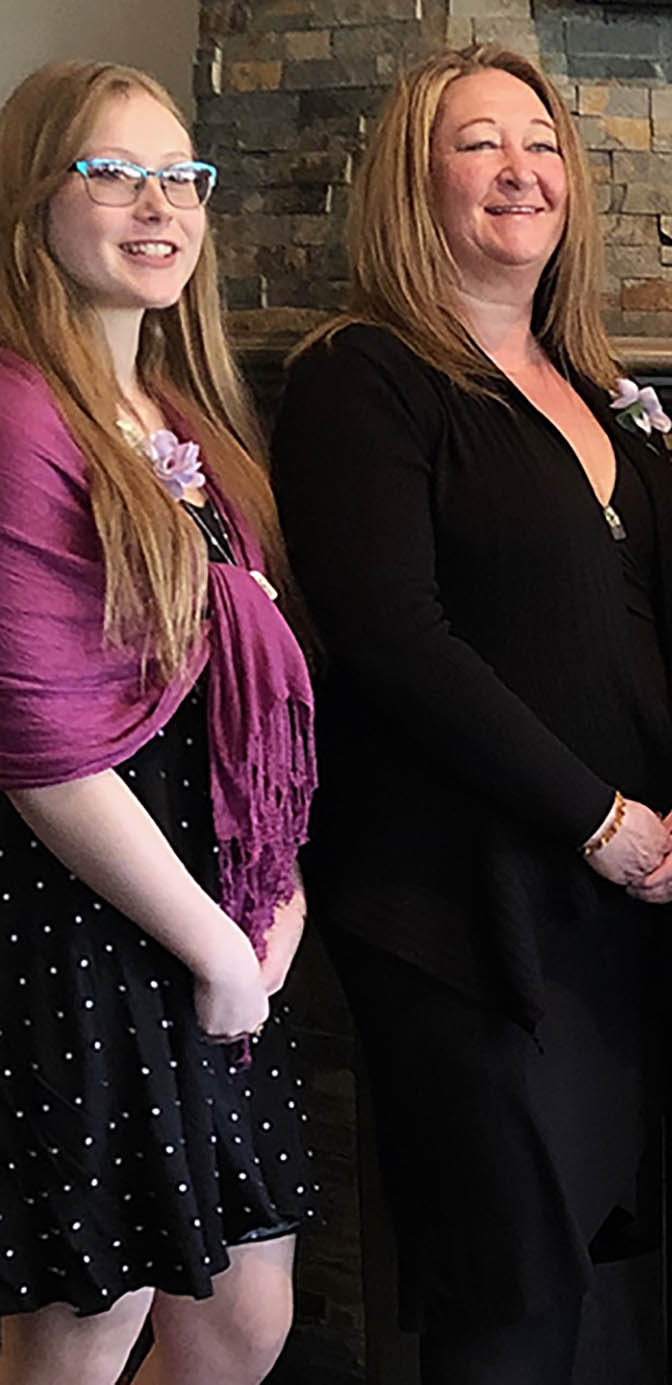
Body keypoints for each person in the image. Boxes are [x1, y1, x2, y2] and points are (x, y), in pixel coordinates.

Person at [269, 46, 672, 1385]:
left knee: (580, 1262)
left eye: (541, 141)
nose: (521, 170)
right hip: (461, 902)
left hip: (616, 898)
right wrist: (596, 817)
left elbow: (662, 626)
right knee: (508, 1283)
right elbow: (394, 639)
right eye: (479, 143)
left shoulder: (591, 386)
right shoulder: (364, 375)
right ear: (414, 181)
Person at [0, 61, 314, 1385]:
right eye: (113, 173)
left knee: (244, 1317)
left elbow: (237, 703)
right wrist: (218, 942)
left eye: (181, 176)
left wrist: (274, 890)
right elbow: (40, 740)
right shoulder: (18, 411)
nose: (160, 204)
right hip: (82, 917)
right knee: (90, 1318)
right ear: (31, 199)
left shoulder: (183, 421)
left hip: (207, 909)